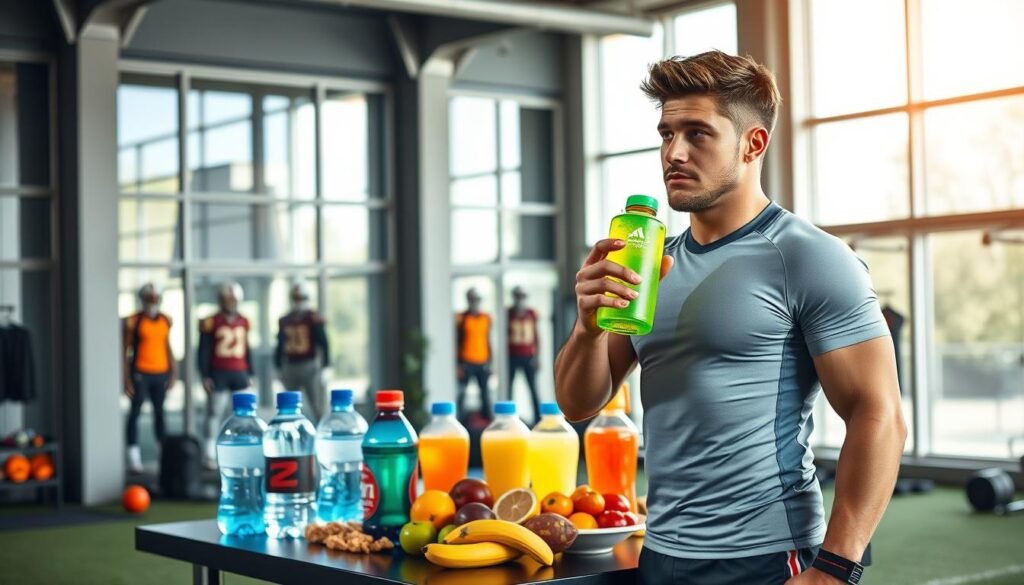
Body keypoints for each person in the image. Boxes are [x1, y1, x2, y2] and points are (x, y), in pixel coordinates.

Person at [554, 51, 906, 585]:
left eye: (697, 134)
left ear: (752, 143)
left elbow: (878, 416)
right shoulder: (649, 265)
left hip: (766, 557)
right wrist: (587, 328)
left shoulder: (809, 256)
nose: (673, 152)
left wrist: (835, 569)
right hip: (663, 550)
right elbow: (579, 402)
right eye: (666, 133)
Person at [122, 283, 176, 474]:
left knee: (160, 413)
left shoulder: (165, 320)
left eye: (155, 299)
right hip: (140, 372)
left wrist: (173, 371)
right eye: (149, 299)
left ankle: (163, 455)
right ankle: (133, 457)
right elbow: (124, 350)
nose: (152, 303)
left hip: (160, 372)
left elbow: (167, 346)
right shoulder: (134, 321)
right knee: (135, 412)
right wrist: (126, 378)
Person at [198, 282, 253, 468]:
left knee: (242, 415)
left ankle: (241, 448)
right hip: (219, 372)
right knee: (214, 413)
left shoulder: (244, 320)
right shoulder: (211, 321)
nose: (230, 303)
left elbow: (247, 348)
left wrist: (250, 371)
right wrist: (205, 374)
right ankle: (209, 452)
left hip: (239, 371)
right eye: (227, 299)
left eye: (233, 299)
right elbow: (204, 350)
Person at [275, 283, 329, 421]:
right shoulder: (285, 320)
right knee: (289, 404)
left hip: (309, 364)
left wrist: (326, 365)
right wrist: (278, 366)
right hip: (290, 364)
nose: (298, 301)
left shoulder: (313, 318)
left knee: (317, 404)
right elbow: (280, 344)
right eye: (296, 298)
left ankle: (321, 432)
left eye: (301, 298)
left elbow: (323, 343)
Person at [455, 288, 493, 421]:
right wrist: (458, 365)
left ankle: (487, 420)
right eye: (472, 299)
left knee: (484, 394)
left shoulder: (485, 318)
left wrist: (490, 362)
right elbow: (458, 342)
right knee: (462, 393)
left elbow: (488, 341)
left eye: (476, 300)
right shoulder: (463, 318)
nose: (474, 303)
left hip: (482, 361)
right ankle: (459, 420)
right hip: (466, 362)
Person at [507, 286, 541, 423]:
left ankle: (538, 418)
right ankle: (509, 418)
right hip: (512, 356)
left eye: (522, 296)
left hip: (528, 356)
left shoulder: (531, 313)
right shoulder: (508, 313)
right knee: (509, 388)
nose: (520, 299)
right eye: (517, 296)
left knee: (532, 388)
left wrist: (538, 357)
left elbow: (536, 335)